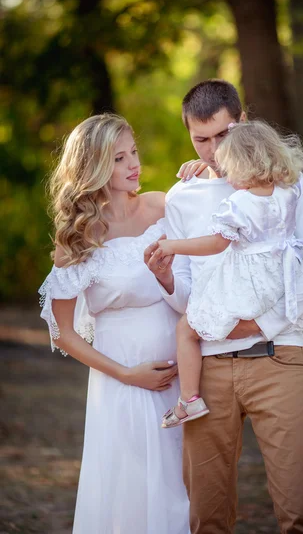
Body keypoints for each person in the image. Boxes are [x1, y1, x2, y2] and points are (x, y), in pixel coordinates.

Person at [144, 79, 303, 534]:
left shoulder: (285, 183)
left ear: (244, 123)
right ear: (189, 136)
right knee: (208, 517)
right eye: (202, 139)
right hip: (209, 371)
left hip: (279, 357)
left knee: (301, 512)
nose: (214, 150)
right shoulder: (183, 197)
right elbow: (186, 300)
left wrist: (262, 321)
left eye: (224, 134)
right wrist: (166, 278)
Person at [38, 114, 190, 534]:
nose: (133, 164)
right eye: (119, 157)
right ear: (95, 166)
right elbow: (61, 332)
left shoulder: (164, 206)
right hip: (122, 380)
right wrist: (128, 375)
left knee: (182, 490)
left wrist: (202, 170)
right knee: (131, 488)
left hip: (183, 374)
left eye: (133, 152)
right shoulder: (79, 236)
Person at [154, 120, 303, 428]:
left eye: (229, 167)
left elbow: (217, 243)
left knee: (187, 329)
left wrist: (172, 245)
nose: (225, 175)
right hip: (284, 274)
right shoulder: (287, 191)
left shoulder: (239, 202)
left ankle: (189, 399)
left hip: (251, 285)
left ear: (244, 166)